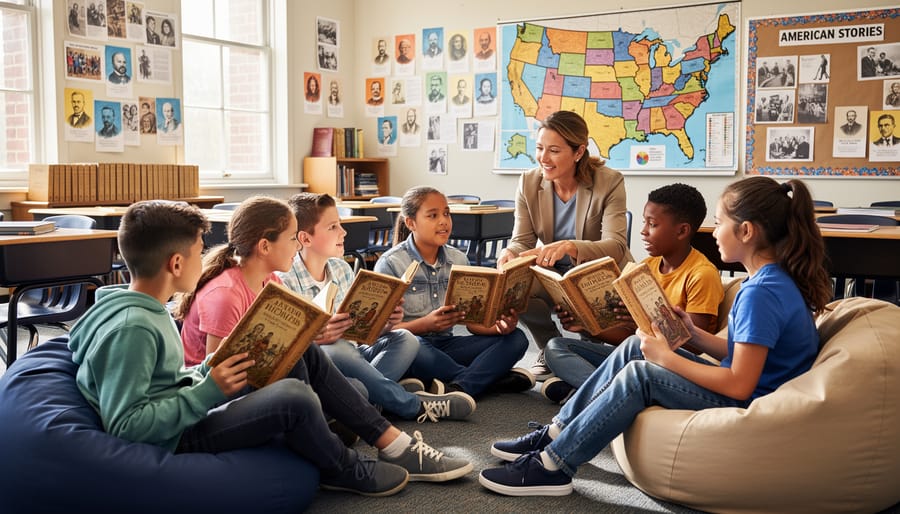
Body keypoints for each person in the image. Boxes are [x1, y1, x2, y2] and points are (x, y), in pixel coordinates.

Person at [71, 201, 468, 501]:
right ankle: (344, 468)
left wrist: (209, 369)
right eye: (197, 251)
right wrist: (207, 389)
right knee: (295, 396)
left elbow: (164, 383)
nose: (204, 257)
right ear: (176, 263)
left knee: (301, 353)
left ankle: (394, 445)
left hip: (188, 405)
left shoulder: (143, 310)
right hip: (176, 437)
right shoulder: (134, 328)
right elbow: (128, 428)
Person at [480, 176, 833, 496]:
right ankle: (557, 431)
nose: (713, 231)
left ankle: (554, 465)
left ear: (747, 231)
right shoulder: (765, 282)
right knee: (635, 345)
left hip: (750, 402)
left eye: (721, 222)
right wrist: (692, 335)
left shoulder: (761, 293)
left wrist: (667, 358)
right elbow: (743, 351)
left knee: (641, 373)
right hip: (753, 389)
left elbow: (740, 384)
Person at [277, 193, 476, 424]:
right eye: (333, 227)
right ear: (306, 238)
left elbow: (360, 334)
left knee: (405, 338)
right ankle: (411, 404)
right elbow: (287, 350)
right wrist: (316, 337)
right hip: (324, 366)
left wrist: (385, 323)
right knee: (336, 349)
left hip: (357, 357)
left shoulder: (341, 268)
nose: (343, 232)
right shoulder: (285, 280)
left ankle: (373, 401)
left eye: (340, 225)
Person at [542, 184, 724, 404]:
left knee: (632, 349)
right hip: (636, 353)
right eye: (644, 222)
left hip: (672, 364)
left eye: (653, 224)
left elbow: (694, 345)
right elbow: (629, 337)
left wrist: (644, 324)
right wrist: (587, 326)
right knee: (556, 347)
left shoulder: (701, 274)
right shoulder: (646, 267)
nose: (643, 231)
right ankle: (603, 392)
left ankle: (589, 392)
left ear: (682, 231)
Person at [498, 110, 633, 380]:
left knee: (588, 322)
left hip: (598, 273)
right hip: (552, 272)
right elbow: (521, 240)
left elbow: (616, 244)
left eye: (554, 150)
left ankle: (587, 348)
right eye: (539, 148)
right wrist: (509, 253)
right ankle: (549, 347)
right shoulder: (528, 182)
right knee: (514, 283)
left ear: (578, 151)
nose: (543, 158)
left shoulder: (609, 181)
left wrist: (571, 246)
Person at [374, 186, 535, 399]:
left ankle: (459, 386)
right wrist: (425, 325)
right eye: (433, 215)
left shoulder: (458, 259)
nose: (443, 221)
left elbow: (471, 323)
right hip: (409, 346)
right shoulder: (391, 263)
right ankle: (483, 380)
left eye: (447, 213)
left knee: (517, 339)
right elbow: (378, 333)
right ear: (411, 223)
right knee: (414, 345)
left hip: (447, 346)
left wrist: (499, 328)